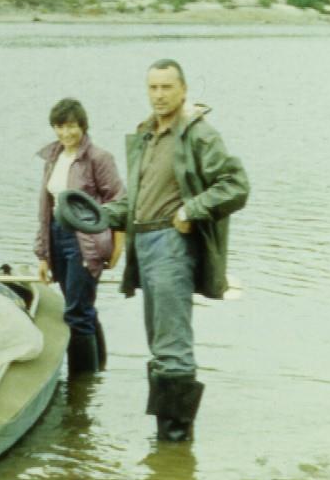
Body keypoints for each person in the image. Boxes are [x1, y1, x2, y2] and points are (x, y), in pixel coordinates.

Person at [102, 60, 249, 442]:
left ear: (183, 90)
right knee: (157, 342)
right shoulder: (146, 136)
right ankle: (168, 455)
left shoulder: (199, 135)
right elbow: (135, 202)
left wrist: (191, 210)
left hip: (172, 244)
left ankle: (175, 444)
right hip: (143, 244)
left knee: (172, 347)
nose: (159, 95)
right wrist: (97, 216)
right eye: (152, 87)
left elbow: (236, 185)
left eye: (167, 87)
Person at [34, 97, 123, 376]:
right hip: (56, 236)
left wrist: (117, 248)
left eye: (72, 126)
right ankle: (98, 370)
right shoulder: (52, 158)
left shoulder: (99, 158)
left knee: (75, 313)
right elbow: (45, 209)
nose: (66, 133)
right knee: (83, 308)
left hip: (86, 240)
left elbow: (120, 202)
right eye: (60, 127)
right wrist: (43, 254)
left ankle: (81, 388)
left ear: (83, 126)